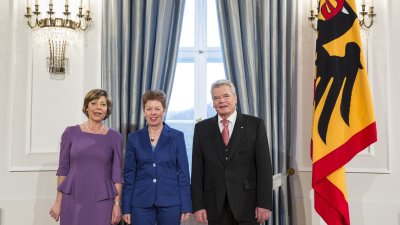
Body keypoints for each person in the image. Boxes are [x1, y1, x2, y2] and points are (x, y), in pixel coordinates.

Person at [191, 79, 273, 225]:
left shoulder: (255, 125)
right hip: (215, 205)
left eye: (226, 96)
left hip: (248, 204)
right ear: (213, 102)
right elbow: (197, 170)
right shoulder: (202, 129)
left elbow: (264, 167)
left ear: (235, 98)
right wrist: (198, 206)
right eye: (216, 98)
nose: (221, 101)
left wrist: (264, 203)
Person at [49, 89, 123, 225]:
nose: (98, 108)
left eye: (103, 104)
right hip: (73, 197)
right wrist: (58, 202)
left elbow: (117, 175)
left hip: (103, 200)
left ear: (107, 109)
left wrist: (117, 204)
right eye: (94, 103)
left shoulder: (115, 137)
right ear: (86, 107)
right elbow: (63, 170)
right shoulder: (70, 132)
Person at [122, 90, 191, 225]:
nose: (153, 113)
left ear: (164, 110)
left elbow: (183, 174)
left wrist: (186, 205)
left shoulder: (177, 137)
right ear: (144, 111)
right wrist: (126, 208)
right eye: (149, 109)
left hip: (170, 201)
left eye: (157, 109)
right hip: (140, 202)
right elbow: (129, 174)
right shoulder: (133, 138)